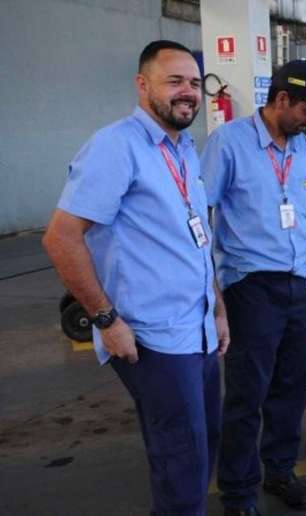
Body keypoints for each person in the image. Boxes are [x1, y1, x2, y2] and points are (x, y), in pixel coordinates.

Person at [42, 40, 229, 515]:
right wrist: (106, 320)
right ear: (142, 85)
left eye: (193, 82)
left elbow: (196, 239)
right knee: (182, 462)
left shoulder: (185, 148)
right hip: (154, 338)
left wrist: (218, 308)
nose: (188, 92)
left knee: (198, 448)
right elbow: (62, 238)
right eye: (174, 81)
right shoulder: (116, 146)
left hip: (199, 330)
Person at [200, 60, 306, 516]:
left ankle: (279, 471)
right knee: (247, 393)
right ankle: (238, 492)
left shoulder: (302, 149)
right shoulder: (229, 143)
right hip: (250, 286)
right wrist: (214, 294)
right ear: (281, 100)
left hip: (297, 284)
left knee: (290, 387)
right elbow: (201, 215)